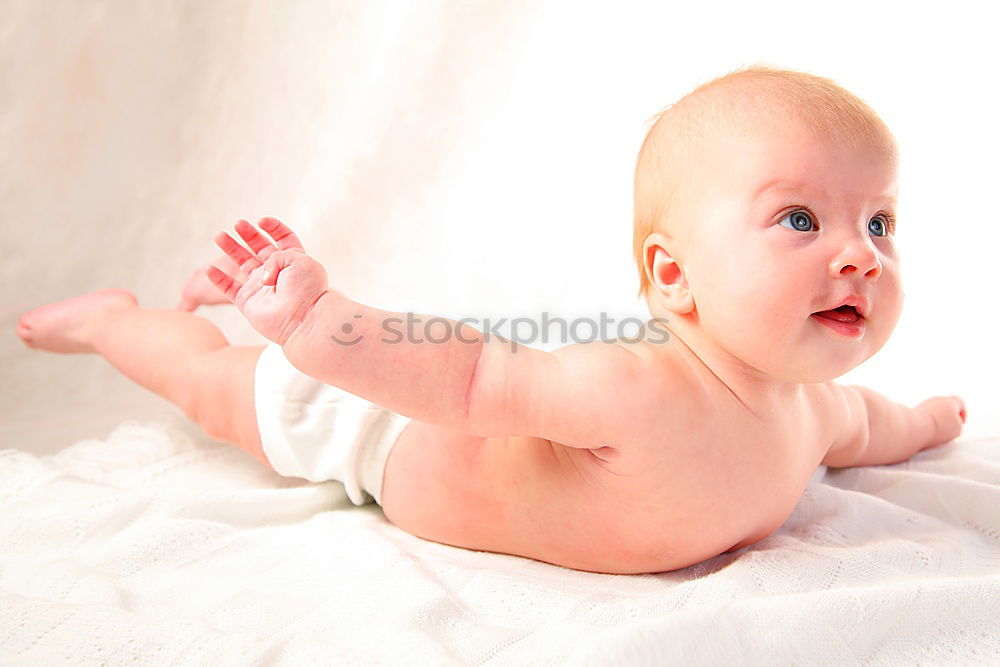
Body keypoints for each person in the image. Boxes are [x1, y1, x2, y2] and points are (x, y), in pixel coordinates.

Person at [16, 64, 967, 575]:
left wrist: (928, 419)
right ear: (673, 277)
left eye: (880, 221)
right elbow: (469, 378)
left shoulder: (816, 410)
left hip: (429, 391)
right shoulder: (636, 385)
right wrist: (317, 320)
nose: (861, 254)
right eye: (801, 219)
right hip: (381, 421)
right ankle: (116, 322)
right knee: (210, 381)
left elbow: (877, 423)